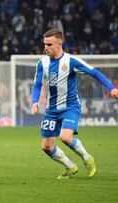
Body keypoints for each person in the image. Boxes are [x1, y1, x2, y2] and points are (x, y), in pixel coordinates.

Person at [31, 28, 118, 179]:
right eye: (44, 44)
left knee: (65, 137)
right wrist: (35, 101)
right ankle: (70, 167)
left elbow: (95, 73)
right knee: (46, 146)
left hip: (70, 107)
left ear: (59, 44)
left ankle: (87, 158)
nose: (45, 47)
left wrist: (112, 88)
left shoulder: (71, 61)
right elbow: (37, 84)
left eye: (49, 44)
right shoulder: (42, 63)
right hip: (51, 110)